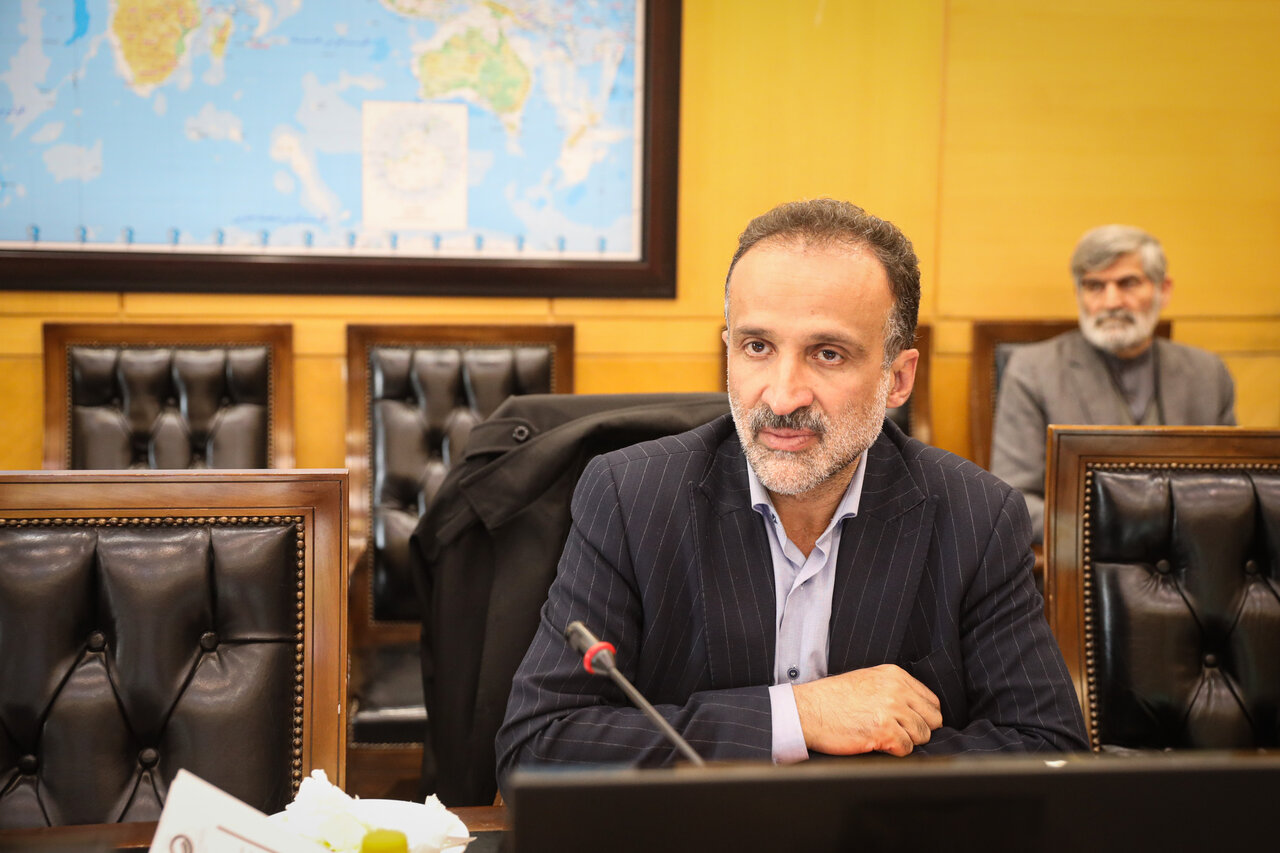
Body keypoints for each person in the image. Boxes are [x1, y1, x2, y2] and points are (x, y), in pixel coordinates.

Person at [496, 199, 1087, 785]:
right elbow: (538, 747)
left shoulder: (977, 515)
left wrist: (827, 791)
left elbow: (1048, 749)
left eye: (828, 354)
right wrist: (796, 718)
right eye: (757, 347)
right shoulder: (632, 497)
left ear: (898, 378)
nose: (782, 398)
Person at [990, 225, 1236, 543]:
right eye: (1094, 286)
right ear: (1079, 295)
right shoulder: (1033, 371)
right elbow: (1014, 501)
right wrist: (1120, 531)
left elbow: (1232, 489)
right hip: (1087, 560)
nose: (1111, 302)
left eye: (1128, 283)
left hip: (1191, 557)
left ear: (1163, 290)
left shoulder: (1207, 373)